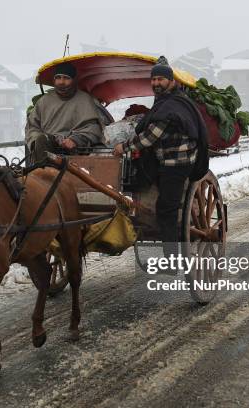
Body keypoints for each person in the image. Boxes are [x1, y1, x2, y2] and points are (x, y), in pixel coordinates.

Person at [113, 57, 208, 265]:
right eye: (153, 79)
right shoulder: (166, 102)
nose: (156, 83)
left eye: (161, 79)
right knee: (140, 181)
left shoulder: (172, 107)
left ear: (171, 81)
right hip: (163, 159)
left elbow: (149, 137)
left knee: (166, 208)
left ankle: (173, 258)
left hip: (177, 163)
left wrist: (123, 147)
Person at [25, 62, 107, 163]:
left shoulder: (85, 100)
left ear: (74, 80)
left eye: (66, 78)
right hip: (48, 149)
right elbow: (32, 127)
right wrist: (39, 141)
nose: (61, 82)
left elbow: (95, 128)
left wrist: (76, 140)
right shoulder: (44, 101)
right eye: (58, 77)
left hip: (78, 153)